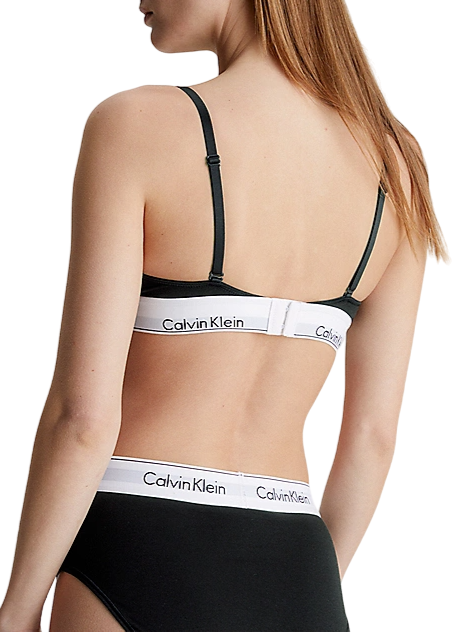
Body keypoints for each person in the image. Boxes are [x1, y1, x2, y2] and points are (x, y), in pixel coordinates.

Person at [0, 0, 448, 631]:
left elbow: (83, 421)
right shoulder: (396, 166)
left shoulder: (135, 126)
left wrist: (18, 610)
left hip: (133, 544)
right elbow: (373, 439)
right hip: (295, 565)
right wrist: (304, 590)